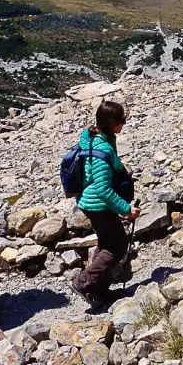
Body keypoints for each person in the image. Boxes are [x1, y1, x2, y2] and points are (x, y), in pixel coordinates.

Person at [71, 100, 141, 307]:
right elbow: (102, 188)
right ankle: (83, 283)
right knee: (117, 246)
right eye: (121, 121)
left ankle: (97, 290)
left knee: (106, 244)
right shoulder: (103, 148)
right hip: (97, 205)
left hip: (89, 201)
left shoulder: (96, 138)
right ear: (111, 122)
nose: (123, 124)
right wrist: (126, 209)